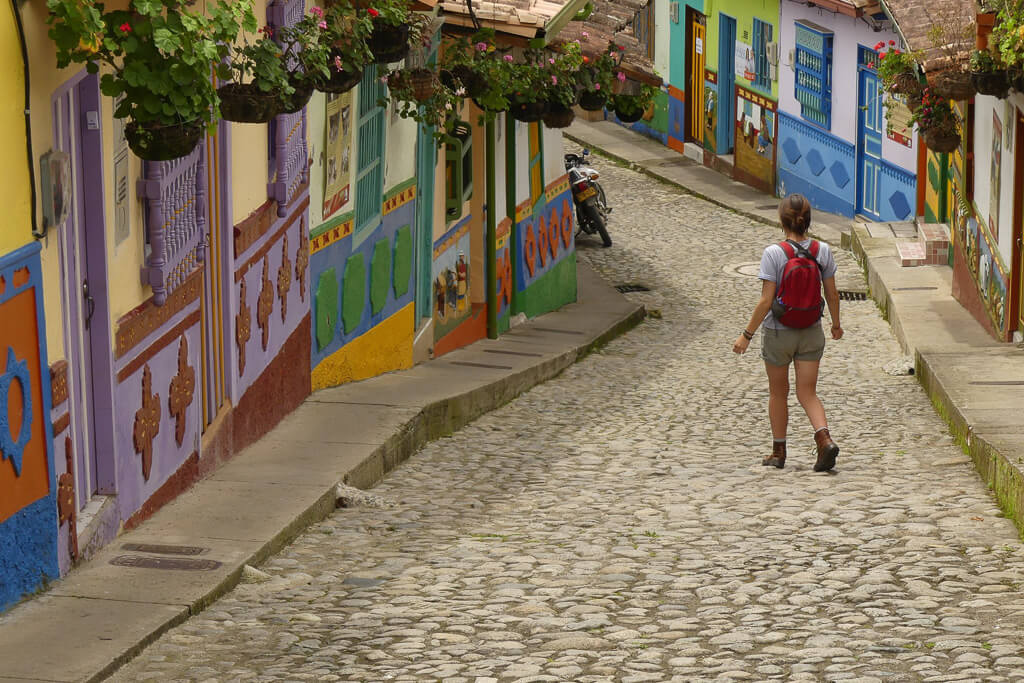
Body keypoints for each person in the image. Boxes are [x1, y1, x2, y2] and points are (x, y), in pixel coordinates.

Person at [732, 194, 843, 472]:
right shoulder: (823, 251)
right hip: (811, 330)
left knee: (778, 393)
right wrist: (836, 324)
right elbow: (831, 293)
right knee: (808, 393)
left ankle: (778, 452)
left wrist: (746, 335)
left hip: (778, 333)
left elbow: (765, 301)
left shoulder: (774, 253)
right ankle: (824, 439)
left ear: (781, 220)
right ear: (808, 220)